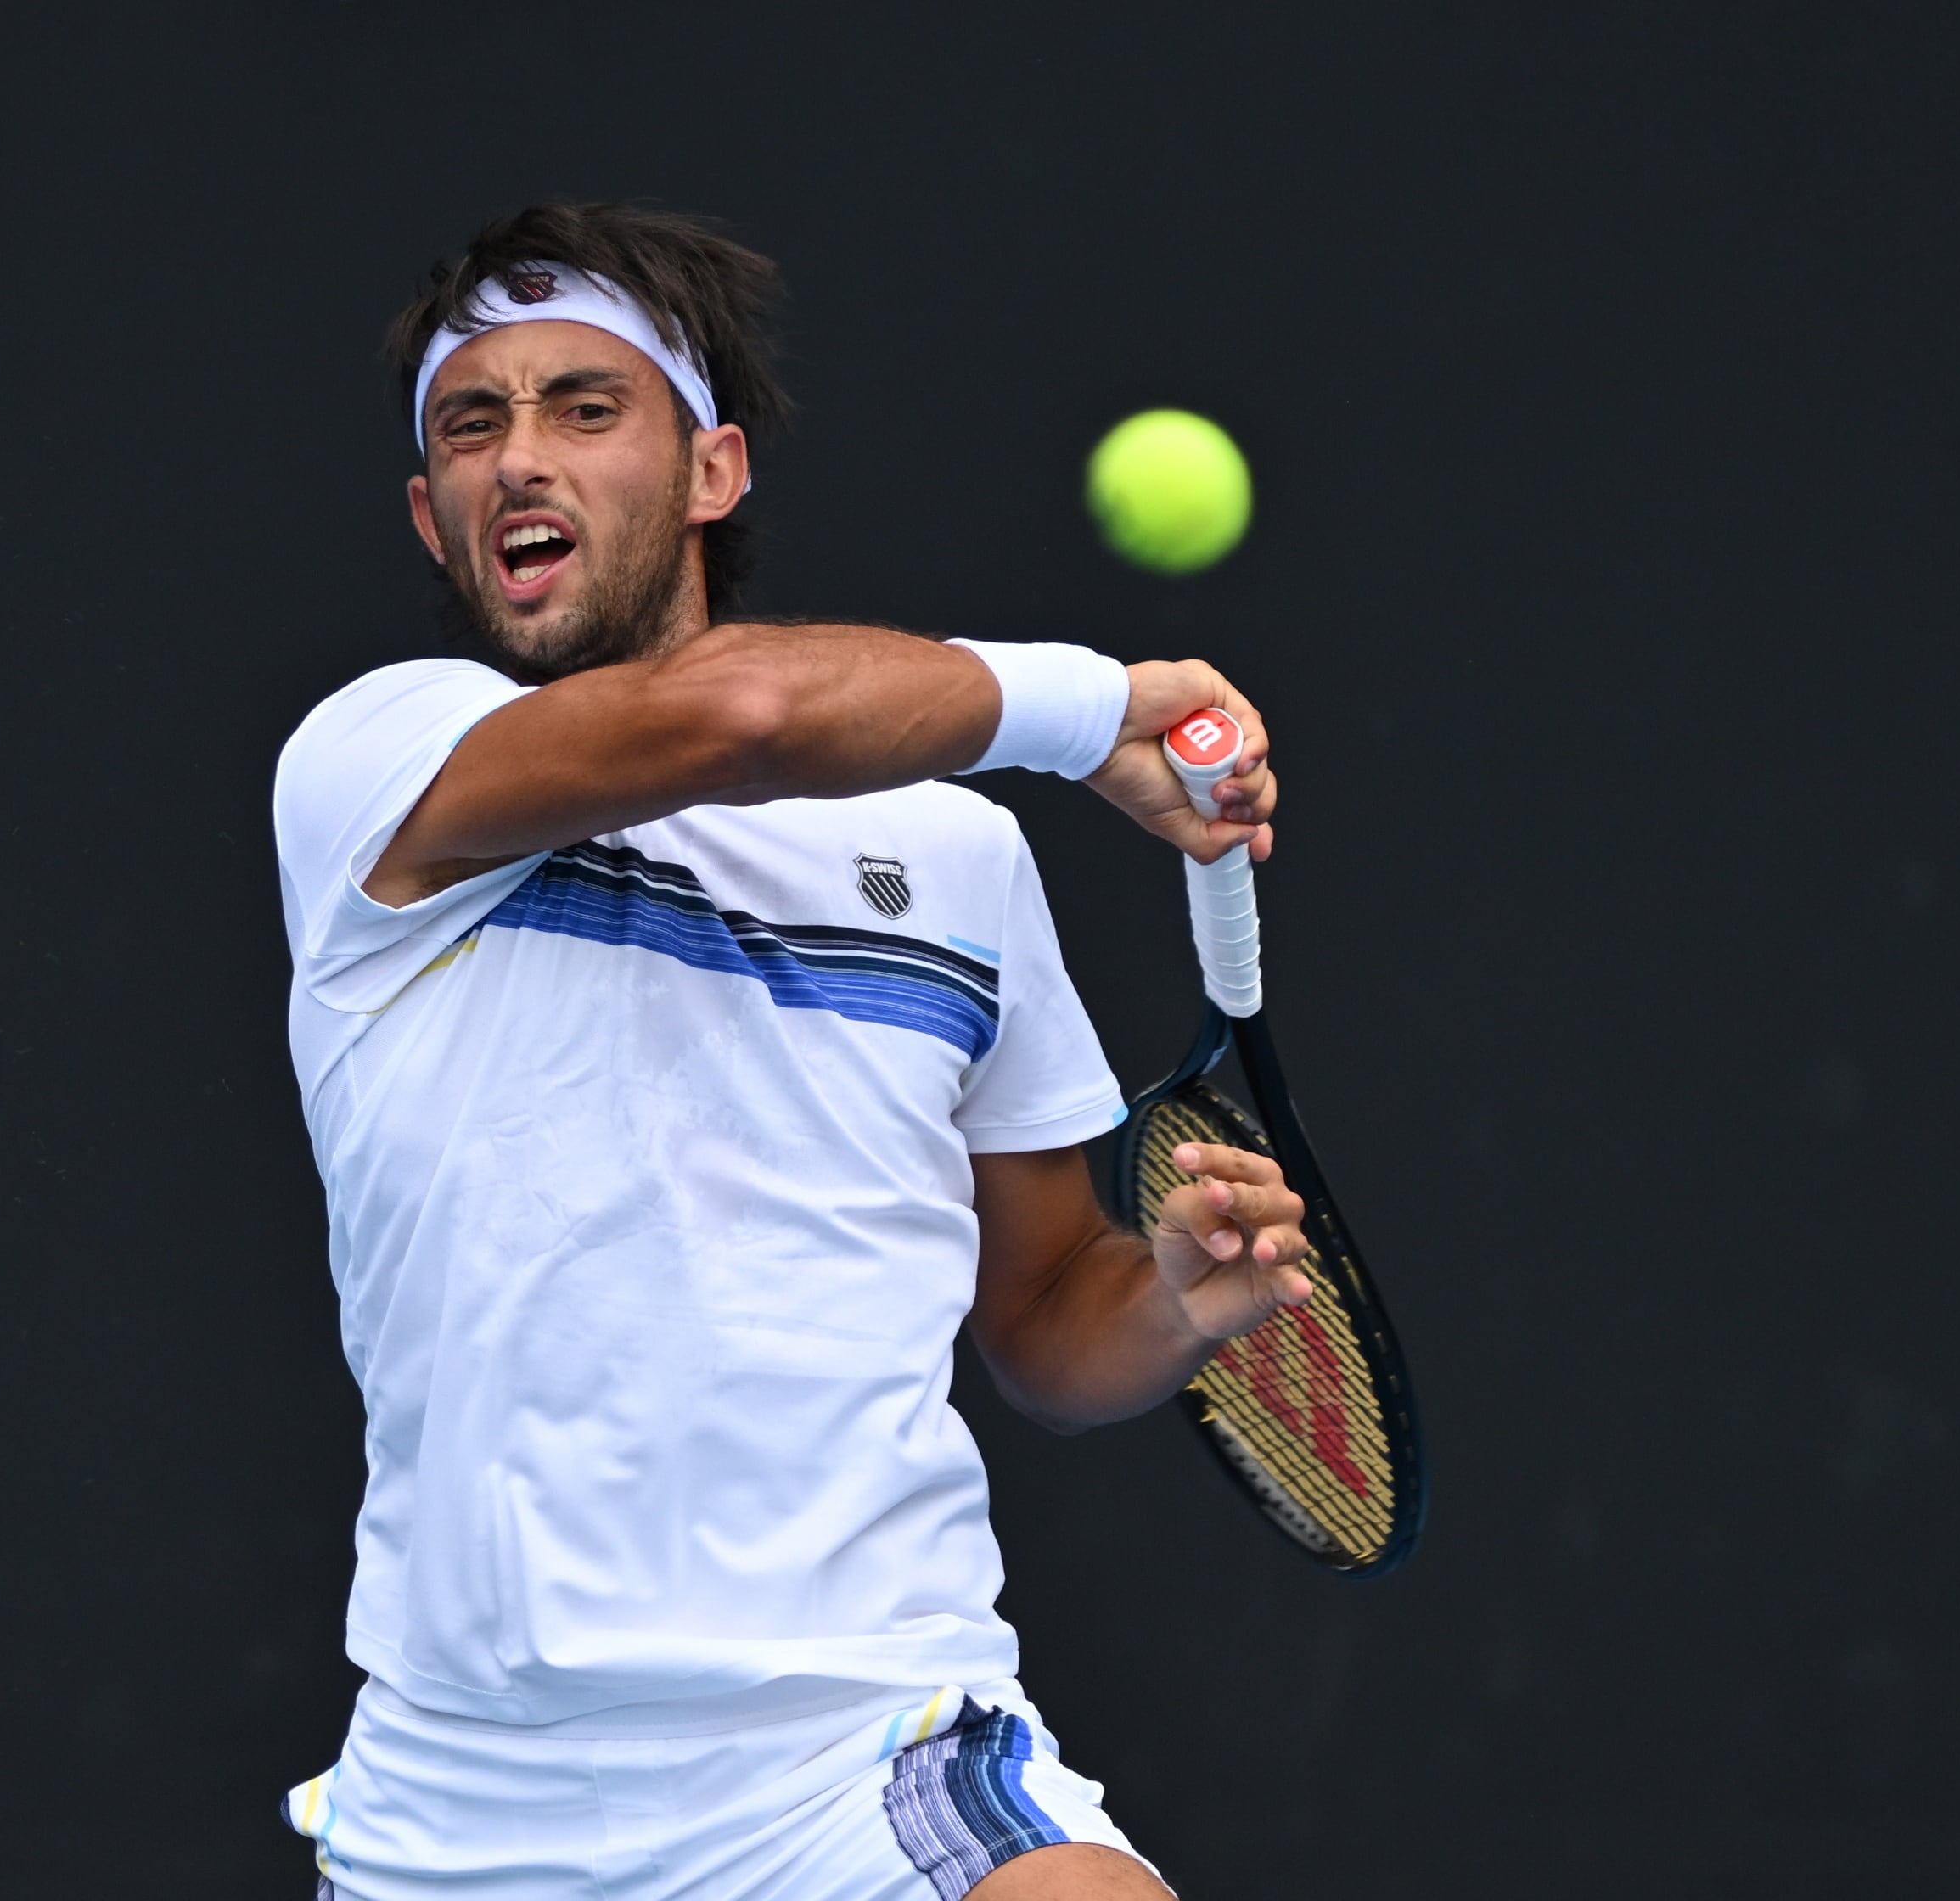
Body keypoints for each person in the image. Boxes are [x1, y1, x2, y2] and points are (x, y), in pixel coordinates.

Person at [272, 204, 1308, 1901]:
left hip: (865, 1760)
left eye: (585, 407)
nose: (520, 458)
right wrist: (1086, 707)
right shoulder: (378, 770)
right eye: (474, 424)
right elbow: (740, 716)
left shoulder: (957, 864)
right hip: (460, 1811)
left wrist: (1172, 1301)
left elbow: (1045, 1322)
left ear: (712, 468)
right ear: (428, 513)